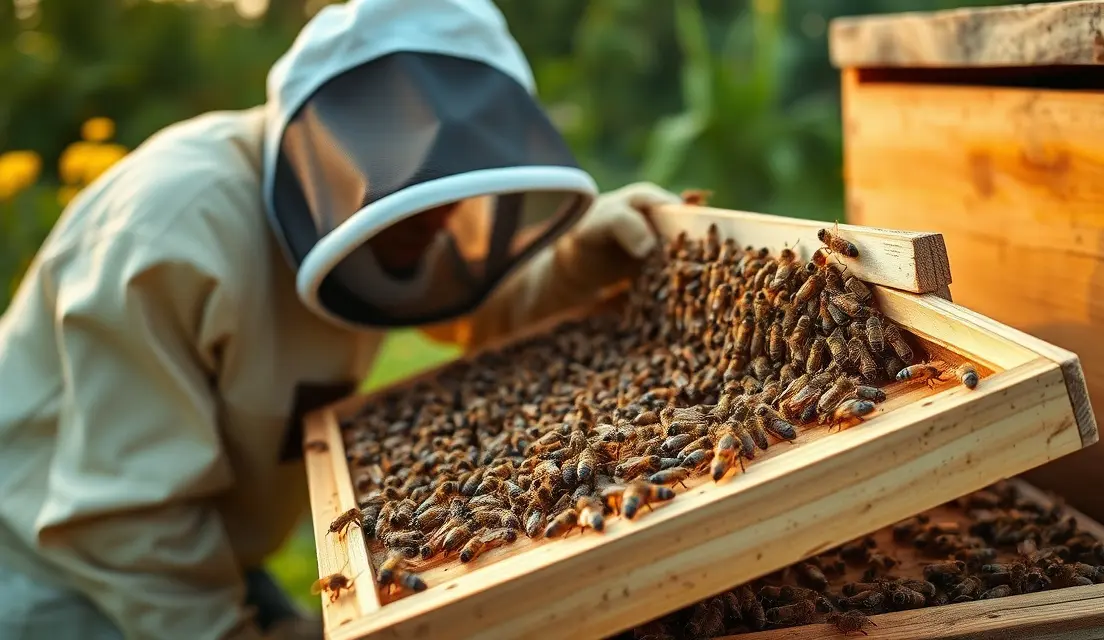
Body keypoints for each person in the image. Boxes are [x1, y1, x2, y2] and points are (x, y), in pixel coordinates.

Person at [0, 1, 681, 638]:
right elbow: (125, 525)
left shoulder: (368, 207)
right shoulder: (170, 230)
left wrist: (569, 264)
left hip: (207, 546)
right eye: (404, 174)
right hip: (51, 576)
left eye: (448, 178)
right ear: (329, 149)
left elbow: (462, 312)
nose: (437, 217)